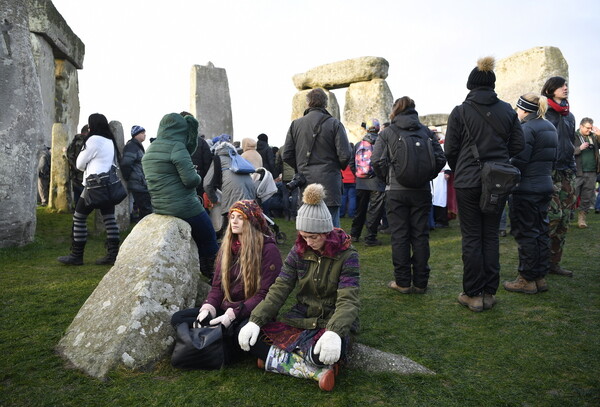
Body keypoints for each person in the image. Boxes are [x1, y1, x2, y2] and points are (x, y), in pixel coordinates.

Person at [238, 183, 359, 391]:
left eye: (314, 236)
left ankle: (275, 361)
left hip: (329, 319)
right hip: (301, 317)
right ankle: (315, 371)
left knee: (321, 352)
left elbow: (348, 299)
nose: (309, 242)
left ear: (326, 231)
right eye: (304, 236)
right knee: (249, 335)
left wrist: (334, 332)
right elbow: (281, 286)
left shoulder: (348, 255)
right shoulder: (298, 251)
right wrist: (256, 320)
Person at [444, 56, 524, 311]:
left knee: (472, 238)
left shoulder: (460, 111)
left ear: (471, 84)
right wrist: (500, 161)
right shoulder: (508, 110)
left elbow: (451, 150)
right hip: (497, 181)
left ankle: (473, 293)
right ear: (492, 84)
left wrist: (463, 168)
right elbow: (518, 146)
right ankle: (489, 292)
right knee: (490, 235)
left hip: (468, 180)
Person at [171, 200, 282, 367]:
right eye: (232, 217)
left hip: (252, 311)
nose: (234, 222)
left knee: (242, 331)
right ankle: (222, 340)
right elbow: (217, 287)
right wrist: (208, 310)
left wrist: (232, 315)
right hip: (225, 308)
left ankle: (221, 341)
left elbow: (265, 294)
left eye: (240, 218)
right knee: (179, 318)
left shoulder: (268, 250)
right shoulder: (227, 247)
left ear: (251, 221)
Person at [372, 98, 446, 294]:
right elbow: (440, 158)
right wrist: (427, 175)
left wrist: (387, 179)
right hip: (421, 190)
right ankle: (421, 282)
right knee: (420, 236)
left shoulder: (388, 132)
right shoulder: (426, 132)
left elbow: (377, 161)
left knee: (400, 236)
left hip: (396, 190)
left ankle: (403, 282)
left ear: (395, 110)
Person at [142, 113, 219, 280]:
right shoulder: (177, 147)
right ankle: (213, 272)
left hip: (159, 206)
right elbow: (191, 180)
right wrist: (197, 175)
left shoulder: (151, 148)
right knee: (209, 235)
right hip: (183, 206)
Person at [502, 93, 558, 295]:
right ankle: (539, 276)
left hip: (526, 188)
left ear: (523, 109)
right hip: (544, 185)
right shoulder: (550, 126)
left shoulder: (526, 128)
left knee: (526, 232)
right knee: (541, 231)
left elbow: (519, 161)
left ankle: (526, 278)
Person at [58, 113, 123, 266]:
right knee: (109, 219)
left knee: (79, 218)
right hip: (108, 185)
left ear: (92, 125)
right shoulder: (109, 141)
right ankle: (113, 255)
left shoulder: (93, 140)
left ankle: (76, 256)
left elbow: (80, 164)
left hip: (94, 186)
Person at [283, 88, 352, 228]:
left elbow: (287, 155)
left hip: (305, 182)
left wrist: (301, 168)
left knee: (307, 227)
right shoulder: (335, 124)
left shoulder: (295, 125)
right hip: (330, 182)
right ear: (326, 104)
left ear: (308, 103)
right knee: (331, 229)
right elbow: (345, 155)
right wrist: (335, 166)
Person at [541, 76, 577, 277]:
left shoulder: (569, 115)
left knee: (564, 221)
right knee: (553, 217)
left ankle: (554, 263)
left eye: (566, 85)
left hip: (567, 170)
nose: (566, 88)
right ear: (550, 89)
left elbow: (569, 142)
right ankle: (539, 261)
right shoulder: (544, 112)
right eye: (561, 86)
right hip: (549, 170)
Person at [203, 141, 257, 235]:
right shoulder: (239, 158)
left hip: (233, 192)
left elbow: (207, 184)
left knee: (231, 226)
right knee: (246, 225)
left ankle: (231, 246)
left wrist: (214, 199)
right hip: (251, 190)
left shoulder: (218, 158)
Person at [350, 119, 386, 246]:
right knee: (374, 211)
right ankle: (370, 238)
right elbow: (383, 162)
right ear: (378, 129)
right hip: (377, 182)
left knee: (360, 210)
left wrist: (358, 174)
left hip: (361, 181)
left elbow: (351, 163)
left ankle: (354, 234)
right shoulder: (381, 143)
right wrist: (383, 177)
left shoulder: (358, 144)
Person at [121, 125, 152, 221]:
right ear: (135, 134)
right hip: (137, 182)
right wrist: (128, 177)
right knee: (146, 209)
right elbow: (126, 163)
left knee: (145, 208)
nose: (145, 135)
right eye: (142, 133)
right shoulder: (132, 146)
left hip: (140, 181)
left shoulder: (136, 146)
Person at [573, 117, 600, 228]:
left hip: (592, 171)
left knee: (587, 196)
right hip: (577, 171)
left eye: (590, 128)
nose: (589, 130)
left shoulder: (593, 137)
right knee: (573, 195)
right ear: (581, 126)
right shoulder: (573, 135)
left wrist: (599, 134)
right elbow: (567, 150)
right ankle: (566, 217)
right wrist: (579, 148)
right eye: (587, 128)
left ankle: (582, 219)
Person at [66, 125, 89, 206]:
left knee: (76, 192)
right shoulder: (87, 142)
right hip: (84, 171)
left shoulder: (74, 141)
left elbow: (69, 155)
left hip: (74, 171)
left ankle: (77, 209)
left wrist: (74, 167)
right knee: (84, 192)